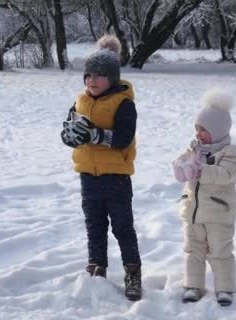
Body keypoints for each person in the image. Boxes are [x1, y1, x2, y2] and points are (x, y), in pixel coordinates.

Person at [60, 34, 142, 301]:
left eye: (99, 75)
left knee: (122, 227)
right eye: (88, 75)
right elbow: (69, 127)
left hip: (116, 177)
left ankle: (132, 272)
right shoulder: (81, 100)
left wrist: (94, 135)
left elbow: (123, 138)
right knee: (94, 224)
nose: (91, 80)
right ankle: (97, 266)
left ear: (113, 78)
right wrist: (70, 135)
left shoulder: (123, 102)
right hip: (88, 176)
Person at [173, 89, 236, 306]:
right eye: (197, 128)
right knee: (193, 250)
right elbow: (181, 162)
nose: (198, 134)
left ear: (218, 130)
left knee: (220, 251)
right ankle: (193, 285)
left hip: (218, 213)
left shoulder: (230, 153)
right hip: (193, 211)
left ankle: (224, 289)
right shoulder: (194, 148)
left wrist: (202, 170)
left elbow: (226, 175)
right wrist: (182, 166)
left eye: (203, 130)